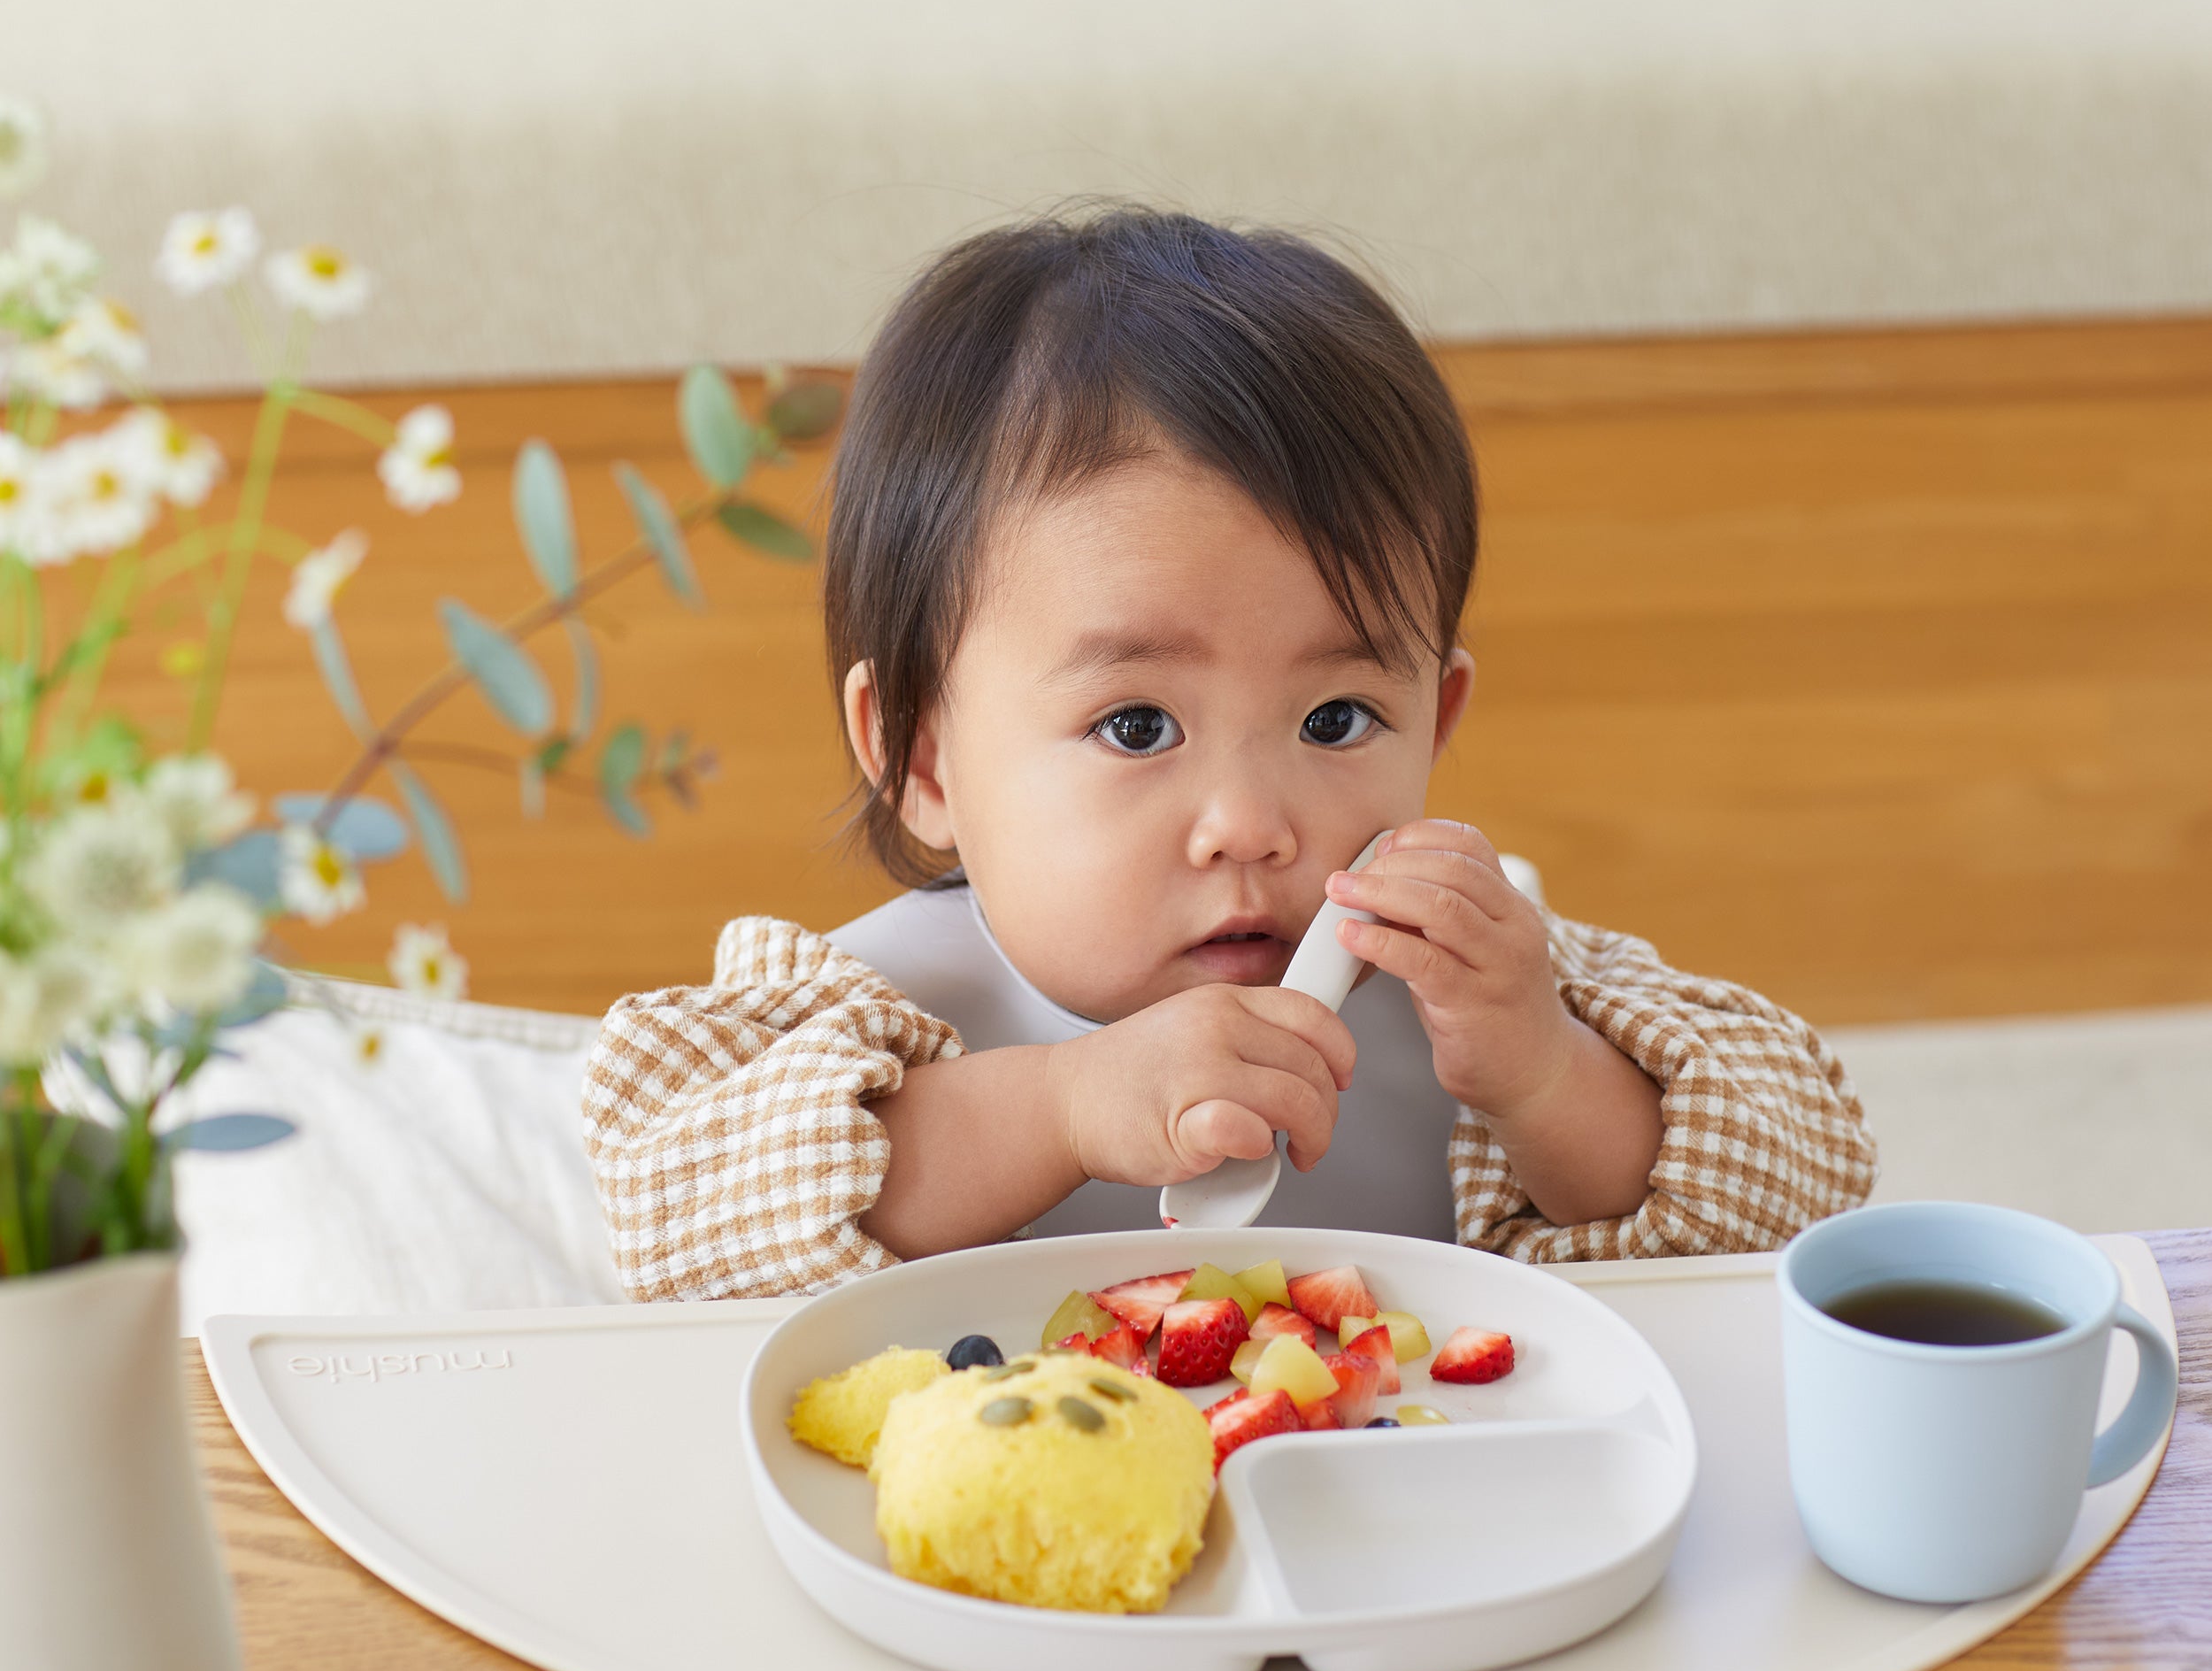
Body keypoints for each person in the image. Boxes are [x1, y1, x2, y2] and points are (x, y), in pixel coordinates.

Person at [584, 209, 1876, 1300]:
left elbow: (1790, 1209)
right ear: (924, 762)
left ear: (1441, 717)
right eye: (1137, 726)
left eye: (1336, 722)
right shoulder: (881, 1016)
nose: (1251, 824)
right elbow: (664, 1222)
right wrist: (1064, 1107)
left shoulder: (1480, 991)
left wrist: (1547, 1079)